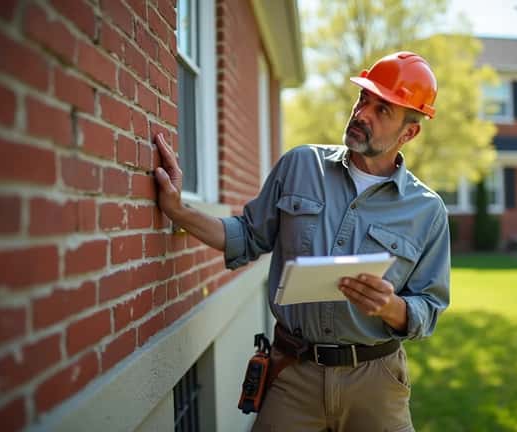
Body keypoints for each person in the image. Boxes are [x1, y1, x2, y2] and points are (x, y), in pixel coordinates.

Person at [154, 51, 450, 432]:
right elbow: (246, 236)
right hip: (293, 373)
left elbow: (430, 305)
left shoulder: (427, 211)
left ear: (409, 132)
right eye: (363, 99)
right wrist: (179, 211)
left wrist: (391, 307)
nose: (362, 114)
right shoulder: (299, 166)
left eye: (382, 110)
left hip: (376, 383)